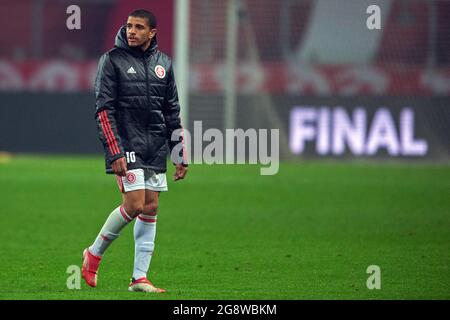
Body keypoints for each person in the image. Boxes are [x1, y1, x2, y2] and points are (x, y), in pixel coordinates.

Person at [82, 9, 188, 293]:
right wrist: (115, 151)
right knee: (135, 205)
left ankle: (139, 278)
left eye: (139, 27)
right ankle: (93, 253)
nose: (131, 31)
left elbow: (172, 112)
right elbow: (104, 109)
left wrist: (179, 152)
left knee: (151, 207)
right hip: (126, 144)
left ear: (152, 32)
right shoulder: (112, 60)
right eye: (129, 26)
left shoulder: (164, 63)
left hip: (155, 146)